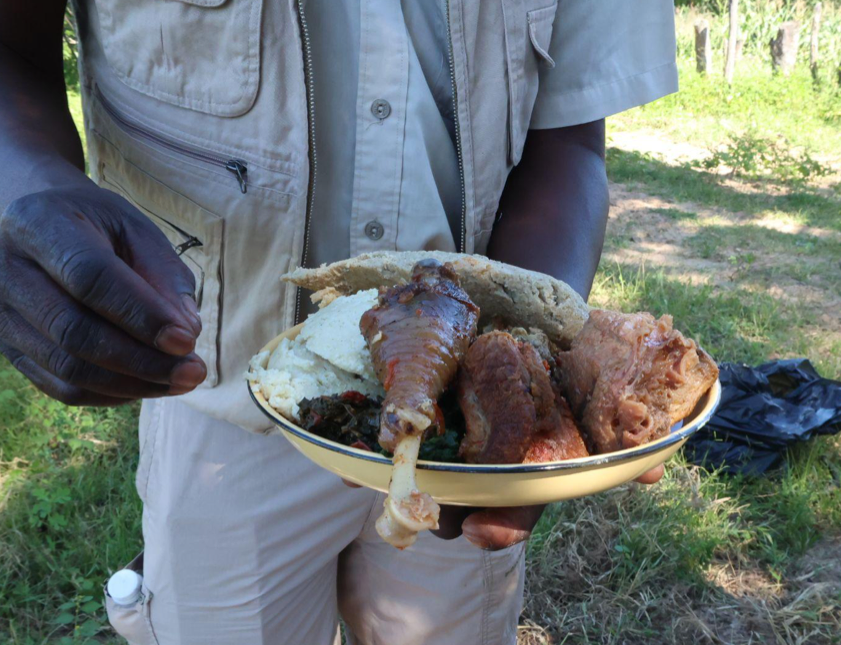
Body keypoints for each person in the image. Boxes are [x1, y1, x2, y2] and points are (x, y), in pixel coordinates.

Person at [0, 0, 678, 643]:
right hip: (221, 388)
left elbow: (567, 138)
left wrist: (519, 387)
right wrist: (22, 187)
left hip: (463, 434)